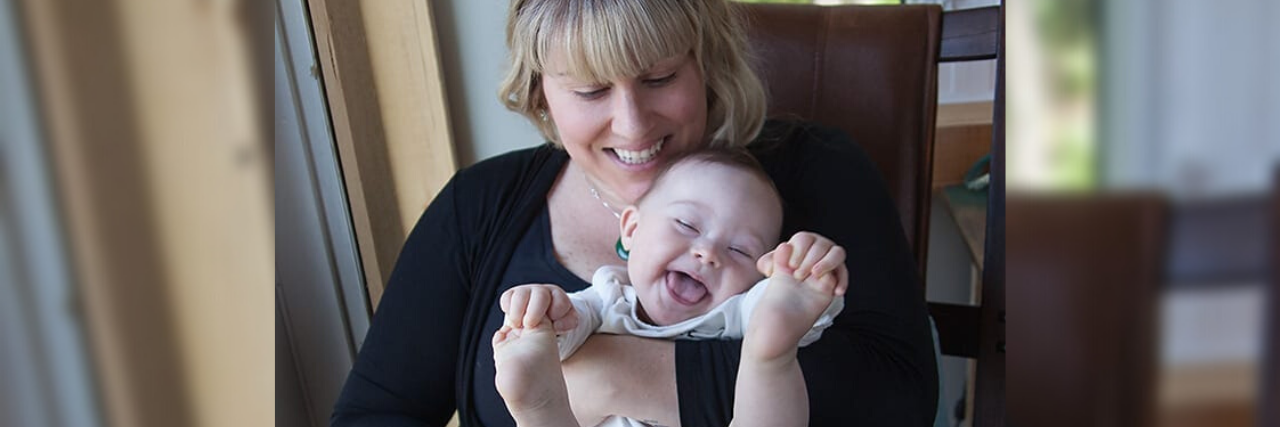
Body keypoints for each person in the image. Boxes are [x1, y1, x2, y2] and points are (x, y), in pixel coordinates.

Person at [330, 0, 938, 425]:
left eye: (660, 77)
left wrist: (607, 376)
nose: (632, 124)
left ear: (706, 61)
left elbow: (898, 399)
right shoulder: (478, 206)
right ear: (541, 90)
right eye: (591, 90)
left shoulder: (813, 171)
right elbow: (375, 414)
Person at [491, 149, 847, 427]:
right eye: (686, 224)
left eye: (740, 250)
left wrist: (802, 279)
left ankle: (770, 359)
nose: (707, 253)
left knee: (773, 343)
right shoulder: (608, 296)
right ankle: (540, 407)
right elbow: (572, 324)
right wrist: (544, 320)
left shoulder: (737, 313)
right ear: (631, 229)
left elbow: (803, 316)